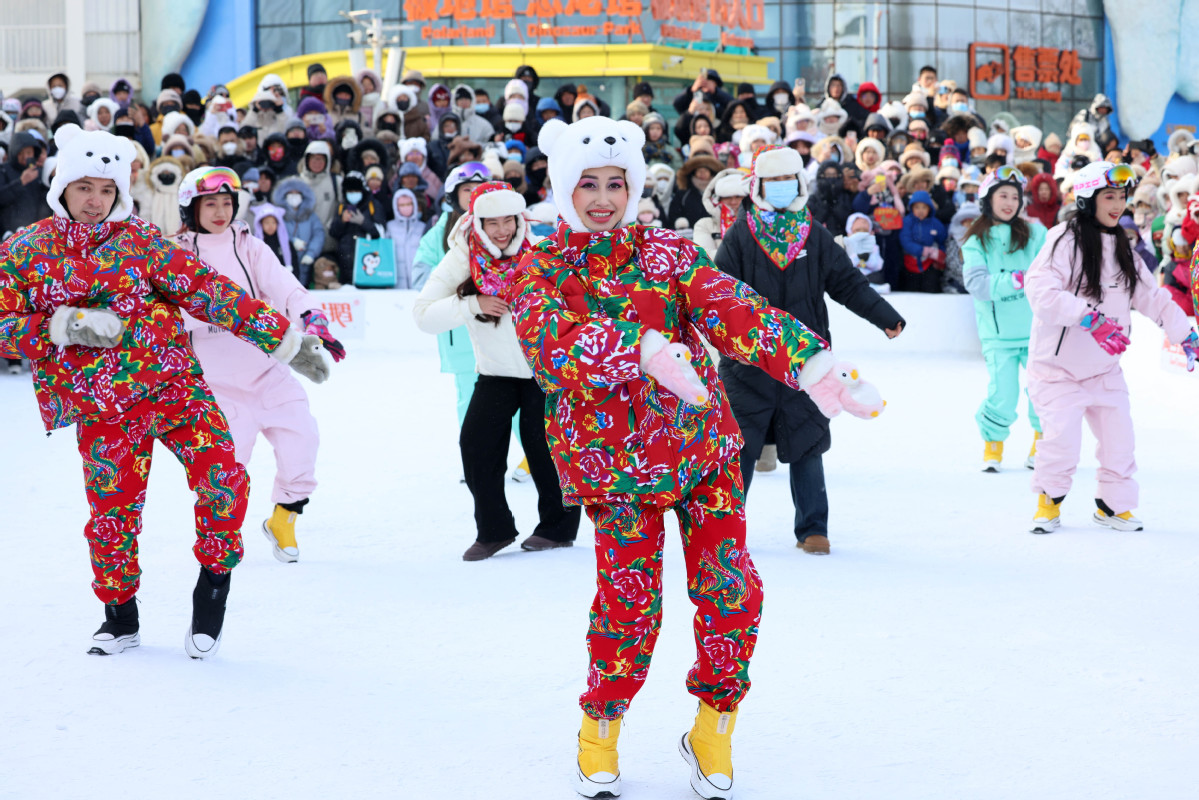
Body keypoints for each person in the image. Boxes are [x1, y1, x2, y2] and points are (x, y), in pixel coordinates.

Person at [515, 118, 884, 799]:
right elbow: (552, 349)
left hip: (701, 450)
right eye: (587, 184)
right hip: (616, 469)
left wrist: (812, 366)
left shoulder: (665, 251)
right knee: (629, 606)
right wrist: (647, 351)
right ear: (563, 187)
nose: (602, 197)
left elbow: (731, 310)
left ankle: (713, 725)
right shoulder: (541, 267)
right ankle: (600, 727)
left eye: (615, 183)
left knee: (731, 591)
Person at [0, 125, 329, 658]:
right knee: (112, 521)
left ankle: (212, 588)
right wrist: (61, 325)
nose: (96, 200)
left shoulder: (143, 244)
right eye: (85, 187)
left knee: (225, 480)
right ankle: (119, 615)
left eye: (107, 190)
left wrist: (288, 343)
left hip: (175, 390)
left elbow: (214, 295)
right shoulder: (26, 249)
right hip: (102, 408)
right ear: (61, 186)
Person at [716, 144, 903, 556]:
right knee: (739, 447)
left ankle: (813, 529)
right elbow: (718, 293)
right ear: (759, 186)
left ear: (799, 183)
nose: (782, 188)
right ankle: (725, 531)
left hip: (807, 362)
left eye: (789, 180)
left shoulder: (813, 235)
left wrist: (885, 316)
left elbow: (848, 283)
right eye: (774, 181)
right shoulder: (741, 235)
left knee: (808, 442)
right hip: (750, 360)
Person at [171, 166, 344, 563]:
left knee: (303, 440)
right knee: (226, 470)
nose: (220, 212)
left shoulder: (248, 244)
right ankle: (221, 543)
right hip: (215, 382)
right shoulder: (174, 252)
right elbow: (169, 310)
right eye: (210, 203)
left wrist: (311, 317)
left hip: (266, 369)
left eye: (227, 203)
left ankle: (284, 519)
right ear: (190, 208)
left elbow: (284, 285)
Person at [1025, 162, 1199, 534]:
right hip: (1057, 370)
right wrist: (1087, 317)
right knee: (1062, 442)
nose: (1118, 204)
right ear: (1088, 199)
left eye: (1122, 196)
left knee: (1121, 442)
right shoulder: (1063, 239)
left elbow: (1153, 296)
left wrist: (1184, 333)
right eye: (1109, 196)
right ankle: (1049, 502)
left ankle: (1112, 506)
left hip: (1104, 369)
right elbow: (1040, 291)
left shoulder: (1122, 246)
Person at [413, 182, 580, 560]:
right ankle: (494, 530)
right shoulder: (461, 257)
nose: (502, 230)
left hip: (544, 372)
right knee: (476, 445)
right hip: (495, 372)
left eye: (509, 221)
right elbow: (422, 315)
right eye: (493, 223)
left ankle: (558, 528)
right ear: (477, 223)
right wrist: (472, 304)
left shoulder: (541, 252)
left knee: (546, 450)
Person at [961, 167, 1047, 472]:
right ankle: (993, 444)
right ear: (988, 199)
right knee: (1003, 392)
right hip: (998, 336)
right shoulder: (975, 241)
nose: (1010, 202)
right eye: (1003, 195)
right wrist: (1015, 281)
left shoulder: (1036, 234)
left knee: (1042, 390)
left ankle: (1042, 443)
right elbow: (977, 285)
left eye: (1015, 196)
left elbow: (1050, 273)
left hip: (1037, 331)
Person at [411, 162, 490, 430]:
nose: (473, 194)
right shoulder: (442, 228)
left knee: (514, 401)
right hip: (459, 332)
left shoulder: (503, 221)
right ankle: (475, 466)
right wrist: (457, 275)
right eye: (467, 189)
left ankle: (533, 464)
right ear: (453, 195)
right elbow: (421, 276)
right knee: (469, 400)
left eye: (479, 188)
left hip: (500, 327)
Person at [273, 176, 324, 287]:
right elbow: (275, 233)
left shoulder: (311, 216)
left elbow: (318, 234)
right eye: (290, 193)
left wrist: (311, 253)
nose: (294, 196)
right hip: (285, 261)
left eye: (297, 193)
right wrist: (292, 241)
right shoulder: (279, 215)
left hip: (306, 260)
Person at [693, 167, 749, 258]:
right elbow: (704, 256)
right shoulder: (705, 225)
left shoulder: (757, 224)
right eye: (727, 197)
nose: (733, 202)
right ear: (717, 199)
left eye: (738, 197)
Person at [899, 190, 947, 292]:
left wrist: (940, 255)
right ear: (912, 208)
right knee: (911, 290)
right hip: (910, 262)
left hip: (930, 263)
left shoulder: (936, 223)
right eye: (917, 207)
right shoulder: (907, 222)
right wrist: (922, 250)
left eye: (924, 207)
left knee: (931, 287)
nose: (920, 211)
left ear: (929, 208)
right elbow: (906, 241)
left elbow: (942, 240)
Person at [387, 188, 427, 289]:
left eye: (409, 204)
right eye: (402, 205)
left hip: (419, 283)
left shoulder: (422, 227)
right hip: (397, 285)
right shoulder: (390, 227)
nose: (406, 207)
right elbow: (387, 255)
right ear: (396, 207)